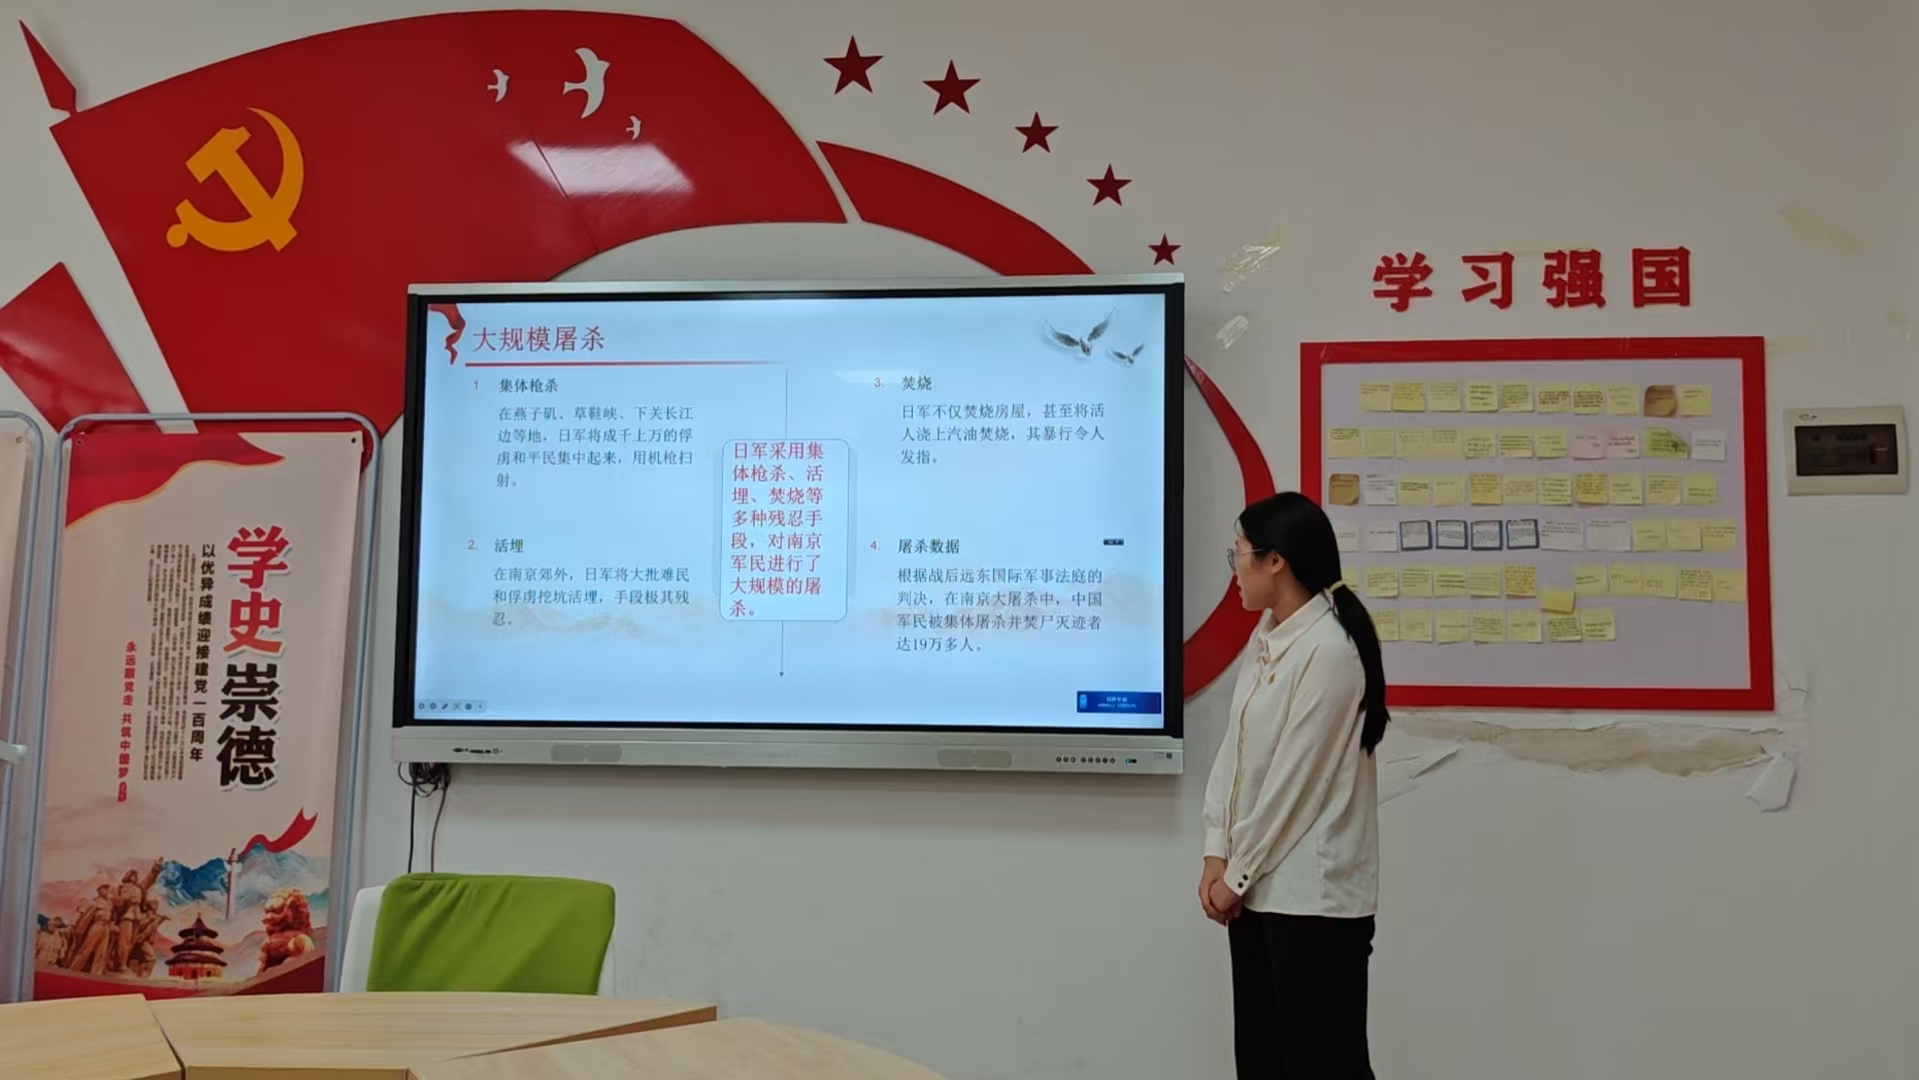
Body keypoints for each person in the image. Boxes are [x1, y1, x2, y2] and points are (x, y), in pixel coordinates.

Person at [1200, 492, 1390, 1078]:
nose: (1235, 571)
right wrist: (1215, 851)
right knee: (1263, 1063)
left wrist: (1235, 875)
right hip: (1258, 893)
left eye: (1238, 555)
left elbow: (1295, 786)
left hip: (1313, 904)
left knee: (1323, 1065)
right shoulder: (1268, 638)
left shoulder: (1330, 652)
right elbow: (1234, 754)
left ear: (1275, 560)